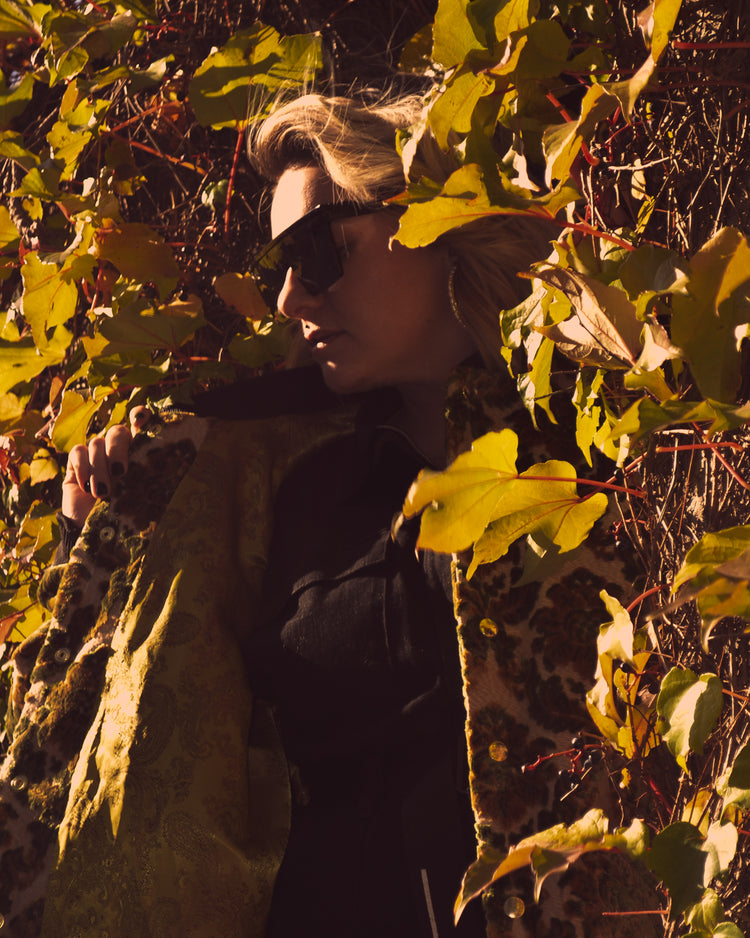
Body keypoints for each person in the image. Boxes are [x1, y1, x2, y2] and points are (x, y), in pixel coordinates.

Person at [0, 90, 658, 938]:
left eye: (318, 252)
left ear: (432, 216)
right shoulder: (281, 485)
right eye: (280, 266)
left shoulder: (622, 449)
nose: (288, 301)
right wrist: (112, 533)